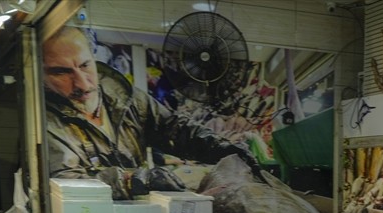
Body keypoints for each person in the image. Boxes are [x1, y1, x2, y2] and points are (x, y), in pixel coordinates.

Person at [42, 26, 256, 200]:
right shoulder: (44, 121)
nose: (81, 83)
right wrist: (133, 179)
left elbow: (173, 129)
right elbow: (66, 180)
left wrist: (220, 148)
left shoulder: (126, 97)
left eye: (85, 65)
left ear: (93, 57)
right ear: (40, 75)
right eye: (61, 72)